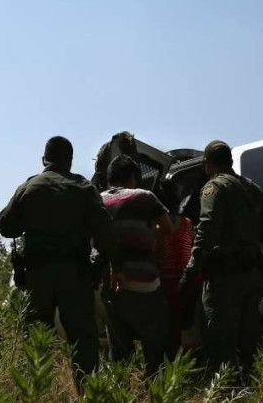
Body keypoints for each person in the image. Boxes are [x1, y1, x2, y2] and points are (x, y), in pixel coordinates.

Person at [0, 136, 123, 391]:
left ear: (44, 160)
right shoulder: (83, 188)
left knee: (36, 342)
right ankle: (88, 394)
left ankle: (35, 394)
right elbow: (107, 236)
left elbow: (6, 226)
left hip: (36, 277)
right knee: (84, 343)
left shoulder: (29, 187)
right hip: (74, 276)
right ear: (70, 161)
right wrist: (100, 265)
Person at [179, 140, 263, 372]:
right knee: (248, 342)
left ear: (207, 163)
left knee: (218, 342)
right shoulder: (253, 188)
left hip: (224, 278)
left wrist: (190, 272)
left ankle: (222, 393)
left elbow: (206, 233)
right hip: (251, 275)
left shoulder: (214, 188)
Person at [100, 154, 176, 377]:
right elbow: (169, 228)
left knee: (119, 348)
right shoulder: (145, 197)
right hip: (145, 284)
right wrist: (148, 233)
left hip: (111, 283)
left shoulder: (97, 200)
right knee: (155, 343)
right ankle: (154, 388)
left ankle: (121, 390)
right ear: (133, 177)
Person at [155, 179, 196, 358]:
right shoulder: (187, 223)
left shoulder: (157, 227)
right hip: (187, 283)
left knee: (163, 333)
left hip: (165, 284)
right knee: (176, 330)